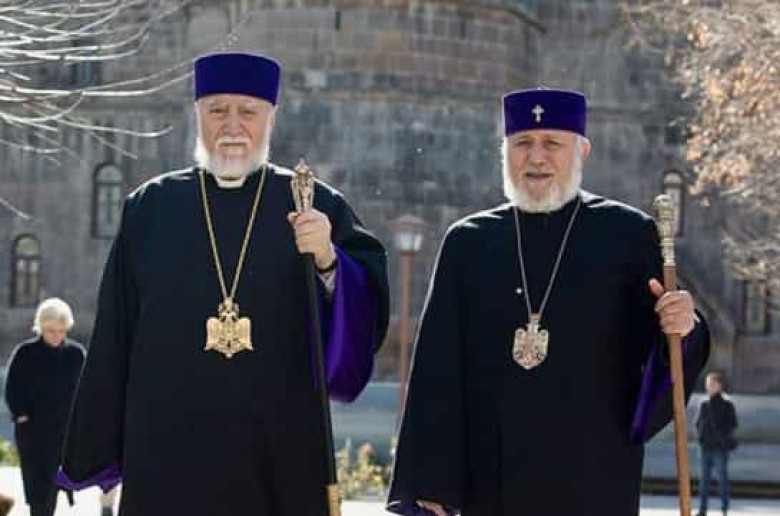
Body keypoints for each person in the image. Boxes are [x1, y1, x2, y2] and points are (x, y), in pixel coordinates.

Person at [59, 52, 389, 516]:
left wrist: (329, 261)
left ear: (271, 117)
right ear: (197, 114)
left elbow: (365, 313)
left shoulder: (313, 203)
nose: (232, 126)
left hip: (279, 454)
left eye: (248, 111)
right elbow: (115, 330)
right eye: (217, 110)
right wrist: (94, 443)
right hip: (167, 452)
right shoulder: (150, 208)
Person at [387, 88, 710, 516]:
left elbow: (664, 351)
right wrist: (431, 483)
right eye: (522, 142)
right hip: (492, 480)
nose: (536, 157)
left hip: (594, 476)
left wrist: (685, 327)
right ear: (504, 150)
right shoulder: (467, 243)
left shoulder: (628, 236)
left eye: (552, 143)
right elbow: (436, 371)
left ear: (582, 150)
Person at [4, 298, 85, 516]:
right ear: (40, 327)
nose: (56, 336)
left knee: (56, 486)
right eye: (51, 331)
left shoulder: (75, 355)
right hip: (33, 432)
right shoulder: (26, 353)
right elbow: (13, 387)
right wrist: (20, 414)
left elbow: (86, 391)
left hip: (64, 433)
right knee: (38, 489)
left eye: (61, 331)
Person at [696, 372, 738, 516]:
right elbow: (698, 423)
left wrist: (720, 436)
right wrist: (702, 438)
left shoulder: (727, 405)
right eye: (708, 384)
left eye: (712, 384)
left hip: (720, 448)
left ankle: (724, 508)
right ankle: (702, 510)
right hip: (705, 448)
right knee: (704, 481)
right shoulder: (704, 404)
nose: (709, 387)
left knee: (722, 480)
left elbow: (732, 424)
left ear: (720, 386)